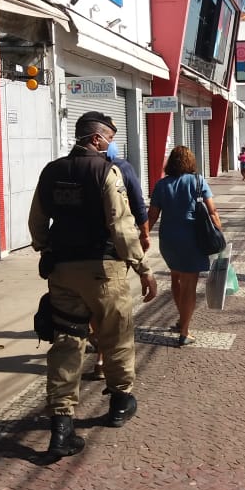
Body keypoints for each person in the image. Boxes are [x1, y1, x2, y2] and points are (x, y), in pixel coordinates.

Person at [29, 111, 158, 459]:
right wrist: (143, 268)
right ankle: (119, 403)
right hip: (104, 271)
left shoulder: (51, 171)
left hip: (63, 272)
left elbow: (37, 221)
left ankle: (61, 425)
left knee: (66, 342)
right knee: (116, 336)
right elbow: (121, 226)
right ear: (97, 138)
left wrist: (46, 249)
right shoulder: (106, 171)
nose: (110, 145)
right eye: (109, 139)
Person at [85, 141, 151, 380]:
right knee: (109, 307)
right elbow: (137, 204)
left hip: (78, 250)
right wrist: (144, 236)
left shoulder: (76, 168)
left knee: (91, 305)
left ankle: (99, 351)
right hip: (112, 249)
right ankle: (104, 361)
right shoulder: (121, 168)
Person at [148, 146, 223, 347]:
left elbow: (152, 216)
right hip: (192, 240)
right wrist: (219, 235)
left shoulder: (161, 184)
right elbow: (212, 211)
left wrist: (143, 236)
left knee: (176, 278)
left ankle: (182, 319)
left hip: (169, 240)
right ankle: (184, 331)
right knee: (189, 285)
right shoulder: (198, 181)